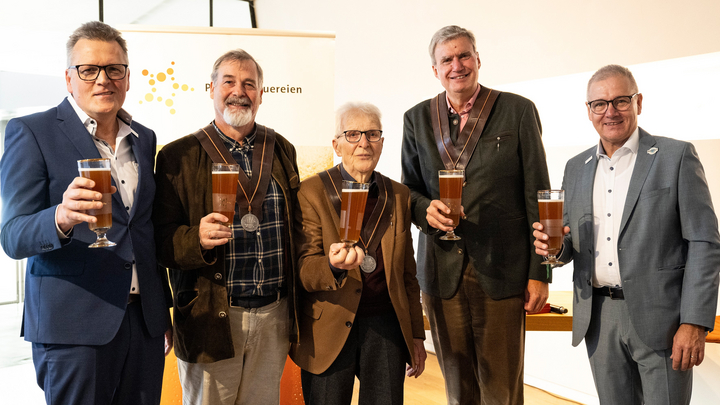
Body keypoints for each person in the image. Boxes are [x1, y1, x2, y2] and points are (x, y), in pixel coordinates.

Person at [0, 21, 172, 405]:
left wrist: (160, 315)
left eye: (114, 69)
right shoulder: (32, 132)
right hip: (73, 327)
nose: (103, 80)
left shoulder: (144, 139)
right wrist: (60, 217)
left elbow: (142, 231)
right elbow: (12, 235)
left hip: (142, 324)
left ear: (127, 77)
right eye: (88, 69)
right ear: (68, 78)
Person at [533, 64, 720, 404]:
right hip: (599, 320)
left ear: (639, 102)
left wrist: (694, 322)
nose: (610, 112)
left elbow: (705, 244)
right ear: (588, 112)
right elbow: (572, 244)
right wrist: (554, 250)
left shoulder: (675, 157)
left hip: (663, 319)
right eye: (599, 104)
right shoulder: (576, 167)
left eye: (620, 100)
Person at [401, 25, 551, 404]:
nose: (457, 65)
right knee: (457, 388)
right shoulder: (416, 118)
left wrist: (540, 272)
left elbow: (539, 195)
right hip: (440, 272)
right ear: (435, 70)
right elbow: (410, 192)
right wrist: (425, 210)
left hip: (503, 270)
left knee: (502, 389)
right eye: (446, 59)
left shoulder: (517, 110)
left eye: (464, 55)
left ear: (478, 60)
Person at [153, 49, 299, 405]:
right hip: (212, 318)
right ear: (212, 88)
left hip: (274, 315)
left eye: (250, 84)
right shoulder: (177, 157)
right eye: (229, 81)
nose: (240, 91)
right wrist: (196, 239)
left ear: (262, 94)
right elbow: (158, 241)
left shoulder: (281, 149)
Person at [290, 102, 427, 405]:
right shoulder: (310, 192)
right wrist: (333, 266)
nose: (364, 142)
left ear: (381, 142)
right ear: (336, 145)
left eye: (372, 134)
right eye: (352, 134)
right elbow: (303, 270)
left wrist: (416, 335)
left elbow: (407, 275)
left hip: (385, 325)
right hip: (327, 327)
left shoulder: (399, 195)